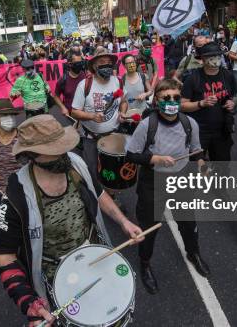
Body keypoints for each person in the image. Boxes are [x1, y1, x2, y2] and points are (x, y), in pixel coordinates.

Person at [0, 115, 143, 327]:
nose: (63, 153)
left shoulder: (76, 164)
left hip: (94, 252)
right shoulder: (17, 194)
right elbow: (5, 256)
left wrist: (123, 222)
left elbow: (99, 193)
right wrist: (27, 301)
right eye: (53, 149)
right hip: (55, 271)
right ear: (32, 155)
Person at [125, 79, 209, 294]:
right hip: (152, 182)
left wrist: (201, 163)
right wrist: (156, 159)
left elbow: (196, 149)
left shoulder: (190, 123)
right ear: (156, 100)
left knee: (188, 222)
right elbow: (132, 154)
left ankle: (193, 252)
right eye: (166, 98)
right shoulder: (147, 125)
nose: (171, 102)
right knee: (150, 227)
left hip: (180, 179)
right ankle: (145, 263)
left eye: (176, 98)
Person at [71, 50, 128, 196]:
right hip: (91, 138)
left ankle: (111, 196)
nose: (107, 65)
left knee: (111, 170)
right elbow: (74, 112)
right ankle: (96, 197)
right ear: (94, 66)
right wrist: (91, 116)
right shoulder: (84, 85)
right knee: (93, 169)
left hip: (113, 135)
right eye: (102, 63)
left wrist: (122, 112)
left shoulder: (118, 81)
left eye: (109, 63)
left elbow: (124, 102)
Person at [181, 42, 237, 161]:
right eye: (211, 57)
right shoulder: (193, 78)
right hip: (199, 132)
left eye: (218, 56)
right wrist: (201, 103)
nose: (215, 60)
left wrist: (232, 103)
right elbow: (182, 105)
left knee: (222, 167)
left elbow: (234, 97)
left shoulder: (228, 75)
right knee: (196, 167)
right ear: (202, 59)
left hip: (222, 131)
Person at [53, 49, 86, 114]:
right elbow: (56, 96)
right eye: (77, 63)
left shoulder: (84, 75)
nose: (80, 65)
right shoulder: (63, 79)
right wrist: (63, 108)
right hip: (70, 115)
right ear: (70, 64)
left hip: (84, 114)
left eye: (81, 63)